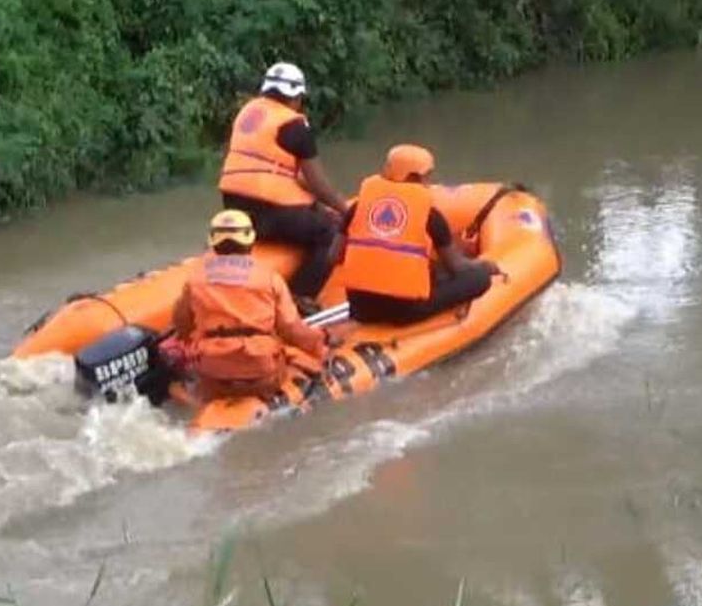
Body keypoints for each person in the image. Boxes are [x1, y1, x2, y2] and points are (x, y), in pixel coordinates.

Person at [172, 210, 334, 403]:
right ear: (249, 240)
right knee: (299, 357)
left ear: (213, 241)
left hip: (213, 375)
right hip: (261, 374)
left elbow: (182, 326)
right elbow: (291, 330)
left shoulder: (195, 280)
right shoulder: (269, 278)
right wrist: (320, 343)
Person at [218, 62, 347, 304]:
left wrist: (317, 207)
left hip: (234, 208)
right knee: (329, 234)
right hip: (270, 215)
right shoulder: (295, 125)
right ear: (296, 96)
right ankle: (297, 299)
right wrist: (346, 211)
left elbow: (277, 172)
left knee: (315, 216)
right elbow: (317, 184)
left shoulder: (248, 113)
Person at [336, 145, 503, 325]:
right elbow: (458, 267)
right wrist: (483, 266)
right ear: (414, 177)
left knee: (434, 268)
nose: (429, 182)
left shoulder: (357, 207)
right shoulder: (430, 215)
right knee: (478, 278)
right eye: (427, 176)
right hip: (405, 310)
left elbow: (334, 255)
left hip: (360, 309)